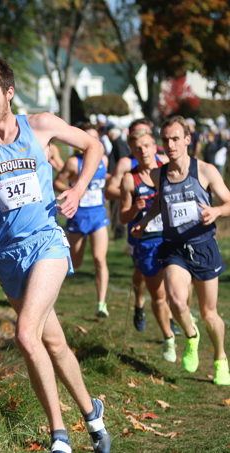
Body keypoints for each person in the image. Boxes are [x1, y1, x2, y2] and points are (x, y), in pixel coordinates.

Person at [0, 57, 111, 453]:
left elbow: (94, 145)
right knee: (52, 343)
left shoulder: (40, 125)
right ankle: (93, 413)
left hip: (46, 242)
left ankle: (59, 435)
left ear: (8, 92)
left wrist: (76, 188)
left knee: (25, 334)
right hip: (5, 255)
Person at [132, 115, 230, 386]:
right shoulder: (158, 174)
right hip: (174, 248)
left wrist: (217, 211)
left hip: (204, 246)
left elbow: (228, 201)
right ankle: (190, 335)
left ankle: (221, 357)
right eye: (166, 139)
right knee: (176, 299)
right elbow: (159, 204)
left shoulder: (206, 170)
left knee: (210, 313)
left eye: (176, 138)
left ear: (187, 139)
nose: (170, 144)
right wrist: (143, 222)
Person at [119, 128, 175, 361]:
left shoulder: (169, 170)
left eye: (147, 146)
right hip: (148, 242)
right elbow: (122, 217)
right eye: (137, 148)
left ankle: (181, 316)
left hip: (173, 237)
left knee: (182, 289)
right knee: (159, 295)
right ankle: (168, 338)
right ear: (132, 151)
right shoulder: (129, 179)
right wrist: (135, 208)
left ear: (155, 147)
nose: (143, 151)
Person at [54, 123, 111, 318]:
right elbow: (57, 182)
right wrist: (73, 189)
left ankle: (101, 303)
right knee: (74, 263)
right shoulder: (72, 163)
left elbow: (104, 181)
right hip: (78, 217)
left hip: (98, 216)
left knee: (99, 259)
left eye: (96, 138)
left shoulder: (103, 159)